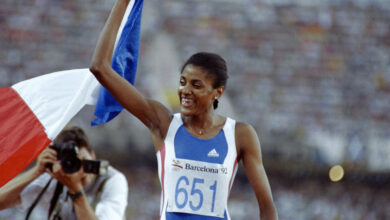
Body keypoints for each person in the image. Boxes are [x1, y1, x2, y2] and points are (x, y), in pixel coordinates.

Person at [89, 0, 278, 219]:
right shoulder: (163, 123)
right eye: (183, 82)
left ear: (217, 92)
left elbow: (267, 207)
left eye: (196, 85)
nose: (185, 91)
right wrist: (123, 2)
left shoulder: (240, 135)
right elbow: (100, 67)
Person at [0, 127, 128, 220]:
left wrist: (76, 191)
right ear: (60, 162)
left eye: (83, 162)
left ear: (93, 155)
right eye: (73, 163)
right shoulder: (58, 174)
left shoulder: (112, 180)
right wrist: (37, 171)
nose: (80, 171)